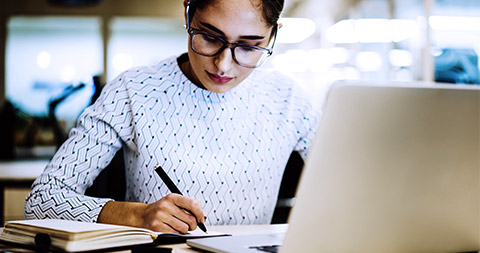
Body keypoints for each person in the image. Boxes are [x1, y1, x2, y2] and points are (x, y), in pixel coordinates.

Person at [24, 0, 319, 234]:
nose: (223, 65)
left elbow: (354, 194)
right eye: (209, 36)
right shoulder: (134, 90)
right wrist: (136, 215)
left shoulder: (290, 100)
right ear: (188, 11)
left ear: (274, 34)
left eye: (249, 45)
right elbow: (42, 200)